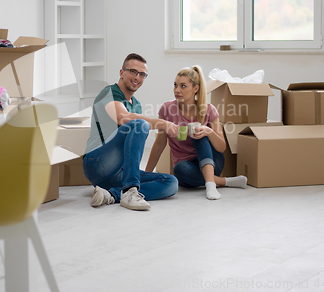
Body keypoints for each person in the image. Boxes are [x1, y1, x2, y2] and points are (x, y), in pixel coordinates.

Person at [83, 53, 179, 211]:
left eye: (142, 74)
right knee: (140, 124)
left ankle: (112, 195)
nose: (137, 77)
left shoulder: (137, 105)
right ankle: (129, 191)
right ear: (122, 73)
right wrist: (162, 123)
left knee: (170, 183)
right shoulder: (108, 93)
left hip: (119, 173)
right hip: (97, 162)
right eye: (133, 71)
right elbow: (122, 117)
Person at [145, 65, 247, 200]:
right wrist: (145, 175)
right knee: (179, 170)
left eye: (183, 86)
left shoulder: (209, 110)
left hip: (212, 161)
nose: (177, 90)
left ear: (195, 89)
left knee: (199, 133)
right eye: (175, 85)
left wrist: (209, 131)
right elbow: (159, 144)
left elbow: (221, 148)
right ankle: (225, 181)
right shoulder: (167, 109)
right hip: (187, 169)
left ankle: (211, 185)